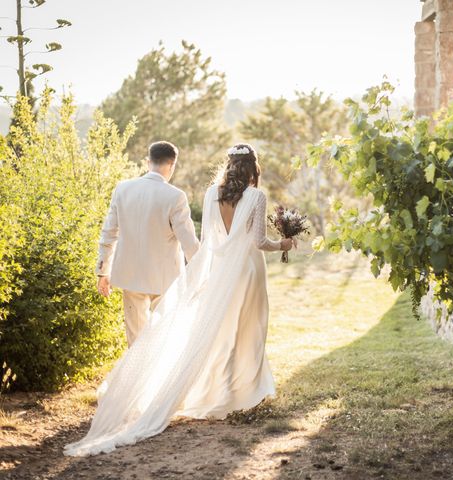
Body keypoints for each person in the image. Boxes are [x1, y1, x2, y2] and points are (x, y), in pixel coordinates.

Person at [64, 143, 293, 456]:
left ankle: (165, 392)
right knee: (246, 331)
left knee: (190, 335)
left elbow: (207, 242)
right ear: (254, 168)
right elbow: (245, 242)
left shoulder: (207, 193)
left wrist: (202, 274)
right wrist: (285, 243)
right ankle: (237, 392)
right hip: (226, 274)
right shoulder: (244, 196)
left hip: (184, 273)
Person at [96, 141, 199, 346]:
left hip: (130, 275)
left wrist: (103, 271)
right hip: (164, 279)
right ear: (172, 165)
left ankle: (136, 377)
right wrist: (201, 273)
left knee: (135, 340)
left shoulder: (122, 189)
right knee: (166, 338)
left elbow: (109, 233)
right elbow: (189, 243)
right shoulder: (176, 196)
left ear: (147, 162)